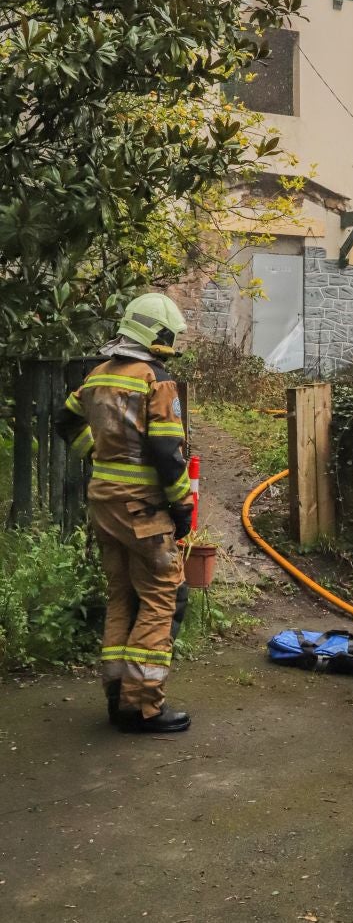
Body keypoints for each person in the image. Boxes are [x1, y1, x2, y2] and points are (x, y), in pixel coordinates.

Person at [55, 293, 194, 733]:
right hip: (144, 509)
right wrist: (183, 507)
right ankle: (145, 707)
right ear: (157, 334)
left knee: (121, 597)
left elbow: (65, 421)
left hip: (105, 504)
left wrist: (96, 456)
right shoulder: (156, 380)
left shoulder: (97, 376)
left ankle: (118, 698)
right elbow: (169, 453)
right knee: (160, 597)